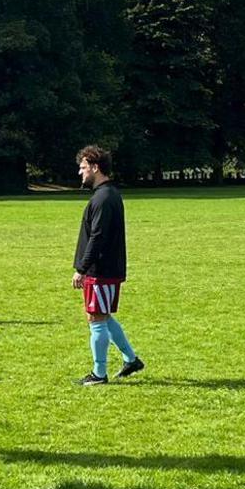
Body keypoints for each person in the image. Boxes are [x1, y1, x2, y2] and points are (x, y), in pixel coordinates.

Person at [72, 144, 143, 386]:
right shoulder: (109, 194)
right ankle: (131, 359)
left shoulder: (103, 198)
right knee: (103, 316)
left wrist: (82, 268)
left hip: (100, 271)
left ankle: (98, 374)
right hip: (107, 269)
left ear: (95, 167)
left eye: (83, 168)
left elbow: (98, 236)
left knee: (96, 319)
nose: (80, 173)